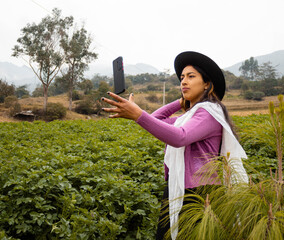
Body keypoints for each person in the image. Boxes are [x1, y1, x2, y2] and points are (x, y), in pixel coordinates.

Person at [101, 51, 248, 240]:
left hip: (199, 193)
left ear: (206, 83)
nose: (184, 82)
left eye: (191, 76)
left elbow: (180, 137)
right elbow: (155, 120)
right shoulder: (190, 116)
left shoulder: (210, 113)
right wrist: (180, 101)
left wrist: (138, 114)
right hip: (178, 187)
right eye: (182, 78)